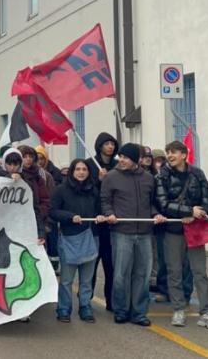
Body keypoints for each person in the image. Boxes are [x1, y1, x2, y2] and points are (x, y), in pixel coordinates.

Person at [155, 141, 208, 330]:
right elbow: (163, 204)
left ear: (184, 154)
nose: (169, 155)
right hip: (173, 231)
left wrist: (198, 213)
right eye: (168, 152)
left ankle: (206, 313)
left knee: (200, 272)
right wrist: (186, 211)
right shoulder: (162, 176)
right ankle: (178, 309)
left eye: (174, 152)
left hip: (195, 230)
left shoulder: (197, 174)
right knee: (174, 271)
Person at [101, 143, 165, 326]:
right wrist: (109, 213)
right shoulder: (111, 177)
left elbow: (152, 203)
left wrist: (156, 214)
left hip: (145, 233)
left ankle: (139, 312)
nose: (121, 160)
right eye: (120, 156)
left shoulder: (148, 178)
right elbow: (105, 200)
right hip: (122, 232)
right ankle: (121, 310)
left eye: (126, 157)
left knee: (143, 275)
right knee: (121, 274)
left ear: (135, 159)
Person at [50, 159, 105, 323]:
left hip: (91, 236)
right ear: (72, 171)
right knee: (67, 279)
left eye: (84, 169)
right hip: (69, 238)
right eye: (78, 169)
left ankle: (85, 307)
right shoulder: (61, 190)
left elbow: (99, 210)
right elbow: (53, 211)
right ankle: (64, 309)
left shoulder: (93, 190)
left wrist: (100, 216)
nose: (81, 172)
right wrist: (69, 217)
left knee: (87, 278)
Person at [87, 132, 118, 312]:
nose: (110, 147)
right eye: (106, 144)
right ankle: (86, 299)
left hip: (112, 221)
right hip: (95, 221)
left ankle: (111, 300)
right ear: (100, 146)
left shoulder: (116, 165)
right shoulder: (90, 164)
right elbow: (86, 190)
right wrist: (98, 181)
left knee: (111, 265)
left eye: (112, 144)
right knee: (91, 264)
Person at [0, 149, 46, 245]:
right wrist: (8, 177)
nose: (12, 167)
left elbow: (34, 208)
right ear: (4, 163)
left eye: (15, 164)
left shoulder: (26, 182)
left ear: (20, 165)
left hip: (21, 227)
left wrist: (41, 233)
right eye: (9, 164)